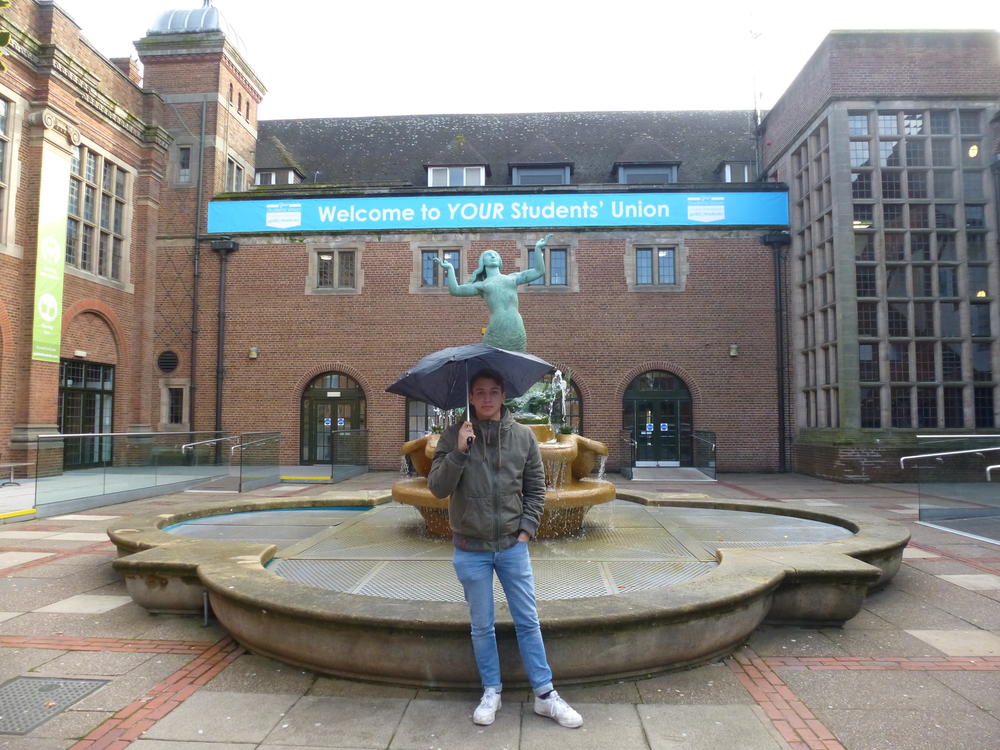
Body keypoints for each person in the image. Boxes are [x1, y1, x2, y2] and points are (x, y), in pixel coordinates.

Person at [427, 370, 583, 729]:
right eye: (479, 392)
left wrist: (525, 532)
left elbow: (536, 490)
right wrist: (460, 453)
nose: (486, 399)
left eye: (493, 392)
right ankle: (491, 691)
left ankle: (546, 695)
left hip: (512, 547)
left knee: (528, 622)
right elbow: (437, 488)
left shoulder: (524, 437)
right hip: (470, 550)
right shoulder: (453, 437)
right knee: (481, 627)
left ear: (503, 395)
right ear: (470, 397)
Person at [433, 234, 552, 352]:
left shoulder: (512, 278)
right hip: (496, 327)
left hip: (516, 326)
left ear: (500, 261)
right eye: (489, 255)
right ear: (482, 262)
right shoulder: (483, 285)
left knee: (517, 361)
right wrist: (450, 269)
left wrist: (537, 249)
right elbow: (456, 290)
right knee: (493, 363)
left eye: (495, 255)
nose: (493, 256)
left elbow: (539, 271)